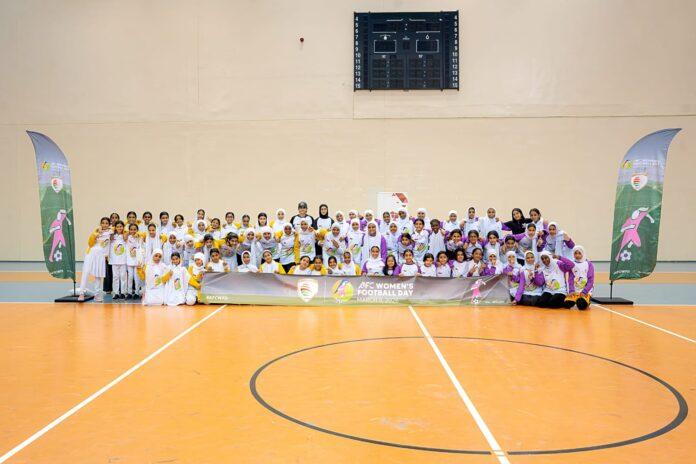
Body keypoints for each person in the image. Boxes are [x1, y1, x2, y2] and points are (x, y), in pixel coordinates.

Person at [78, 217, 112, 302]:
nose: (104, 225)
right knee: (86, 272)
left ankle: (96, 295)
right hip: (91, 254)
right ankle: (81, 293)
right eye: (103, 223)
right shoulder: (96, 232)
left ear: (109, 224)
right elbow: (90, 243)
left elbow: (119, 228)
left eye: (106, 223)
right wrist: (96, 234)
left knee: (98, 275)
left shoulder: (111, 232)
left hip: (101, 256)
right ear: (100, 224)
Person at [563, 246, 594, 310]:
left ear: (583, 253)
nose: (577, 255)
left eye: (579, 253)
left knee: (581, 305)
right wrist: (571, 290)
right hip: (575, 290)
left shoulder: (589, 264)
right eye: (575, 253)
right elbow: (570, 279)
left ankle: (587, 301)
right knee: (566, 304)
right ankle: (575, 300)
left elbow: (590, 280)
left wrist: (584, 292)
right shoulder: (572, 264)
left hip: (585, 291)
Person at [109, 220, 128, 300]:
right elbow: (110, 240)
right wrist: (112, 232)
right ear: (115, 228)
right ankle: (116, 292)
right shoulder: (113, 236)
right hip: (114, 260)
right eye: (117, 227)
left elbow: (126, 239)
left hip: (123, 259)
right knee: (115, 277)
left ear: (123, 227)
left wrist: (124, 233)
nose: (119, 228)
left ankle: (123, 292)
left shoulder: (125, 235)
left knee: (123, 277)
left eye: (121, 226)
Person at [125, 223, 145, 299]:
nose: (133, 231)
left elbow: (142, 248)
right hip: (129, 260)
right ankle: (129, 293)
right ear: (129, 230)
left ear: (137, 230)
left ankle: (137, 292)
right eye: (131, 229)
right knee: (130, 277)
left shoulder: (140, 238)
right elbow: (124, 235)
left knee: (137, 278)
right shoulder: (127, 237)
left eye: (135, 229)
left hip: (137, 261)